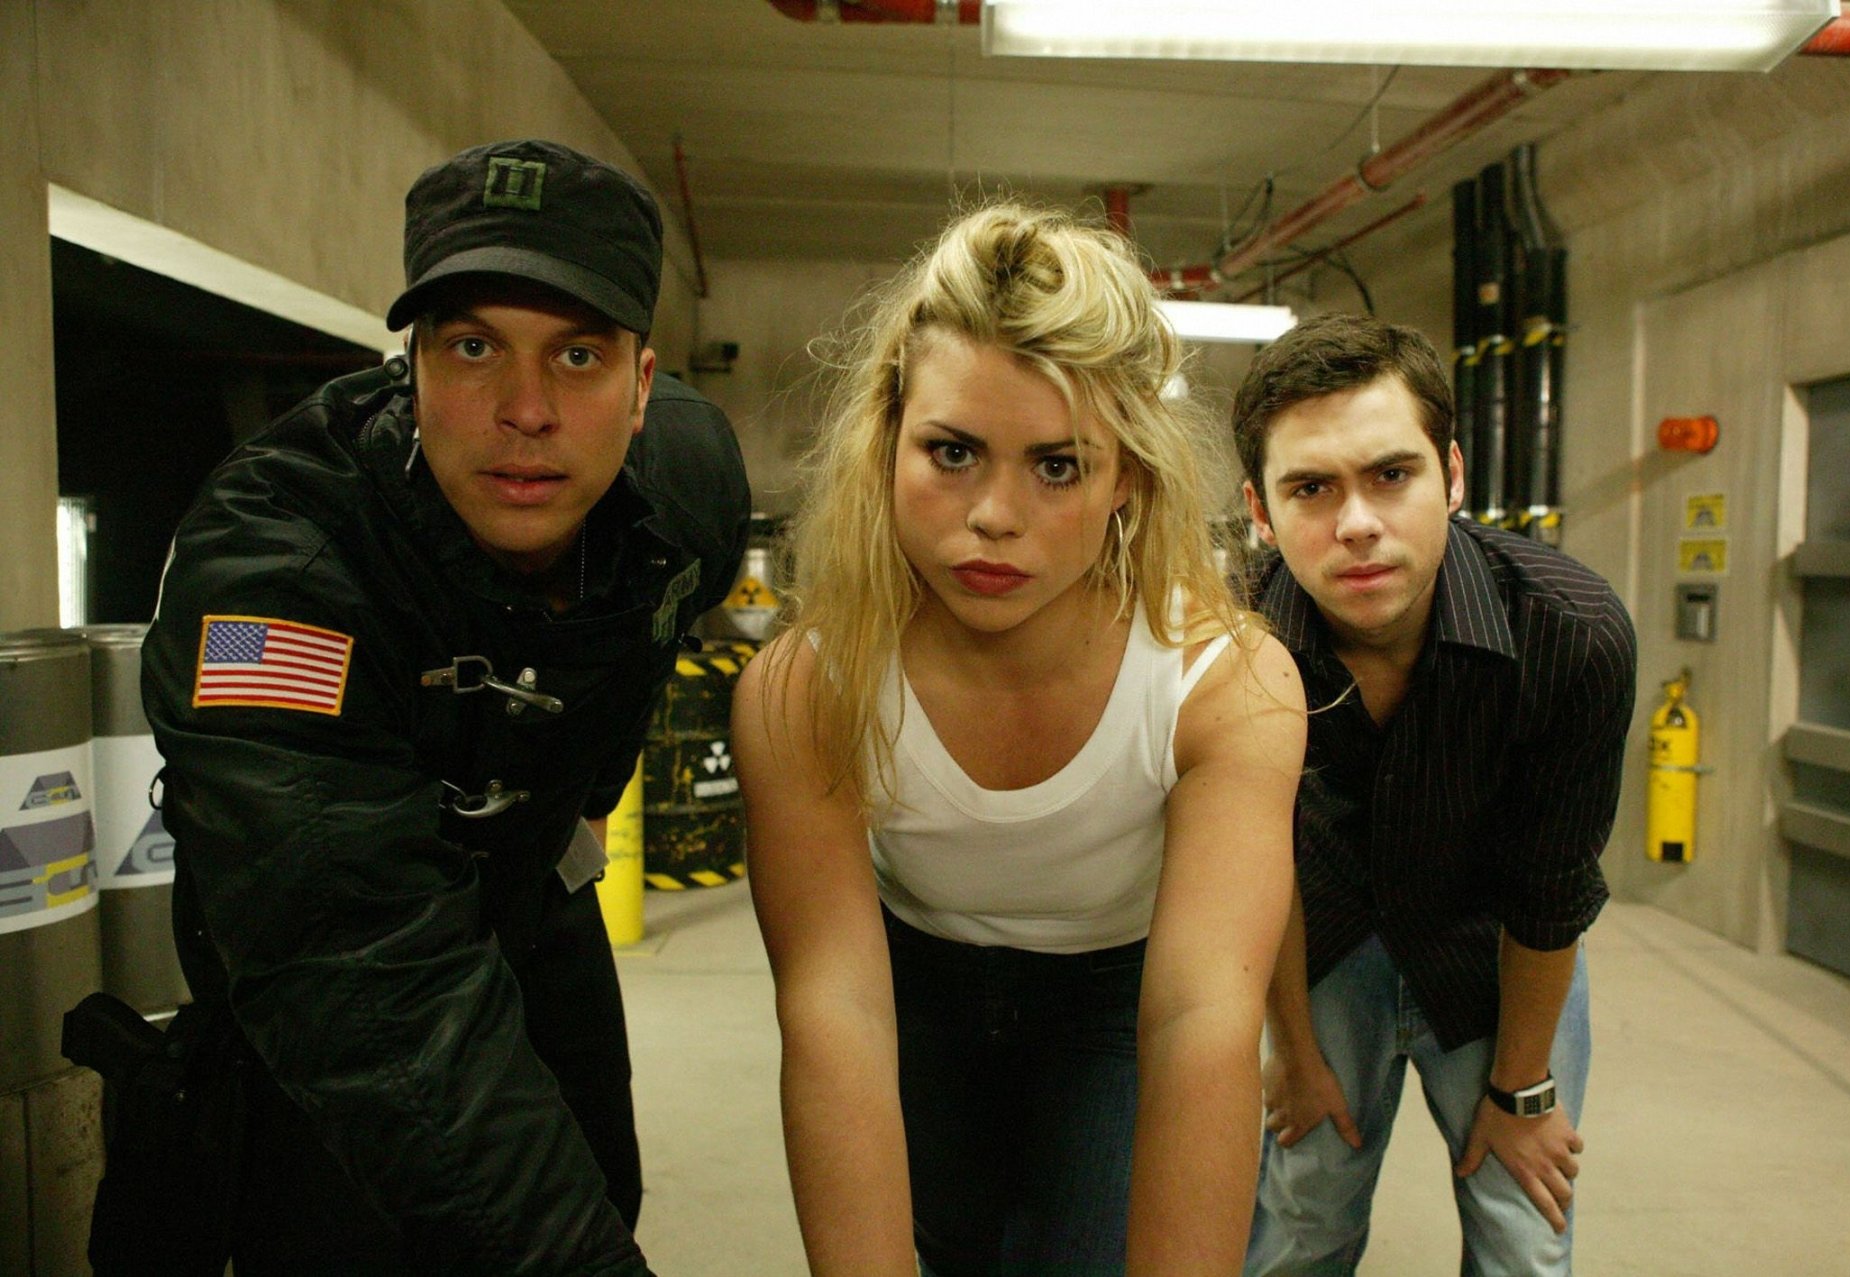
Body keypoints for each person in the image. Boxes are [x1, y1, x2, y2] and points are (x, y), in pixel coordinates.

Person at [137, 138, 749, 1274]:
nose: (526, 408)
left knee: (595, 1192)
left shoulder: (690, 494)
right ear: (409, 363)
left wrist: (583, 799)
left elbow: (658, 632)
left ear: (643, 386)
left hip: (535, 914)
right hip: (320, 982)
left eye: (577, 355)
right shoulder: (275, 572)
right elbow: (358, 967)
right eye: (474, 346)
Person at [732, 203, 1305, 1277]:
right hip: (914, 980)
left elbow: (1201, 1019)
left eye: (1057, 466)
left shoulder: (1222, 685)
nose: (995, 514)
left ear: (1127, 475)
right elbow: (834, 1006)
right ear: (885, 441)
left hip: (1119, 993)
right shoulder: (808, 686)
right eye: (952, 450)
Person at [1230, 313, 1636, 1277]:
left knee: (1523, 1232)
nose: (1358, 522)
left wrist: (1522, 1088)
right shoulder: (1229, 647)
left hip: (1494, 942)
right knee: (1301, 1223)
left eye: (1391, 474)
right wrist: (1290, 1047)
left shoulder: (1568, 633)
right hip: (1321, 944)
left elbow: (1548, 891)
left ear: (1452, 476)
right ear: (1258, 508)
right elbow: (1260, 867)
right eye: (1312, 488)